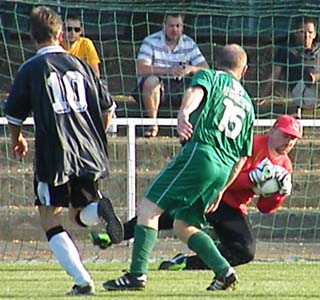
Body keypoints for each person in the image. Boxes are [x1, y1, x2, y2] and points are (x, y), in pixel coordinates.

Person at [102, 44, 254, 292]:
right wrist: (221, 189)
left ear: (217, 63)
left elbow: (196, 91)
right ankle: (224, 271)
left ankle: (136, 275)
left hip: (201, 153)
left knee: (149, 208)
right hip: (223, 169)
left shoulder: (210, 76)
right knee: (183, 225)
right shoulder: (247, 103)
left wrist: (184, 113)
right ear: (244, 70)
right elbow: (242, 157)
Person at [4, 6, 123, 296]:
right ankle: (99, 210)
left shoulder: (30, 69)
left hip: (55, 153)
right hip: (89, 151)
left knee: (49, 216)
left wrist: (16, 139)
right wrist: (96, 133)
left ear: (32, 37)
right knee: (78, 213)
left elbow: (14, 116)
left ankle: (83, 281)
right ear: (60, 34)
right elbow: (108, 108)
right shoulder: (82, 64)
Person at [90, 115, 302, 271]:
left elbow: (264, 208)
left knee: (245, 251)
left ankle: (185, 263)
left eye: (293, 139)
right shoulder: (251, 144)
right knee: (160, 217)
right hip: (209, 192)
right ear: (273, 129)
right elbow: (226, 177)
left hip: (231, 207)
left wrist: (279, 195)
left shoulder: (285, 165)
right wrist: (252, 178)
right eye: (286, 135)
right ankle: (113, 236)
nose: (289, 142)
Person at [133, 13, 209, 137]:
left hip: (180, 85)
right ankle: (152, 124)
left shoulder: (189, 43)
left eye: (178, 26)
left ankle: (188, 125)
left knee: (198, 85)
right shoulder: (150, 41)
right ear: (164, 26)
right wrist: (168, 71)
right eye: (171, 26)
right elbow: (141, 69)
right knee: (151, 81)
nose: (175, 29)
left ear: (183, 27)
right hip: (158, 84)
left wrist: (190, 69)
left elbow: (206, 69)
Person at [260, 16, 320, 111]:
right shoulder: (286, 50)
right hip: (302, 92)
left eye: (310, 33)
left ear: (315, 34)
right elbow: (274, 76)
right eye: (302, 32)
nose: (306, 36)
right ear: (296, 33)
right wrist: (262, 96)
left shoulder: (318, 49)